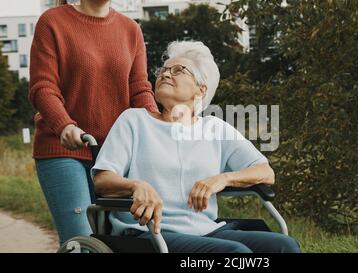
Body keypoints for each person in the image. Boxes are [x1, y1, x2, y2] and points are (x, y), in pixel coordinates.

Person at [91, 41, 301, 253]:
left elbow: (265, 172)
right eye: (162, 70)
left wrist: (222, 179)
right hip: (150, 232)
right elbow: (102, 181)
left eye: (178, 70)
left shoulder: (215, 127)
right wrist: (136, 186)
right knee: (236, 254)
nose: (165, 74)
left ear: (201, 90)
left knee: (284, 246)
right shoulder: (134, 121)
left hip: (207, 230)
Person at [28, 0, 159, 245]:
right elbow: (43, 87)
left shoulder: (131, 29)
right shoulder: (53, 22)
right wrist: (64, 124)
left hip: (115, 155)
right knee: (81, 241)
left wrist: (159, 127)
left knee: (121, 240)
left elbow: (139, 89)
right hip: (65, 149)